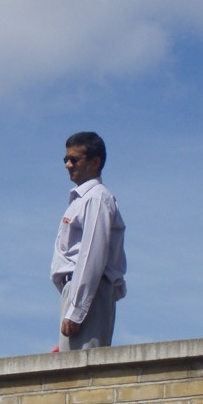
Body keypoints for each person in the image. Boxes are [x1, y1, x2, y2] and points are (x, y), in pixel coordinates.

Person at [50, 131, 127, 350]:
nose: (68, 165)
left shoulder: (96, 198)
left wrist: (76, 311)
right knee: (71, 369)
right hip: (78, 290)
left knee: (84, 371)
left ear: (95, 162)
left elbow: (92, 253)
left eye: (74, 159)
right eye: (66, 159)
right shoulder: (82, 199)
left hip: (87, 291)